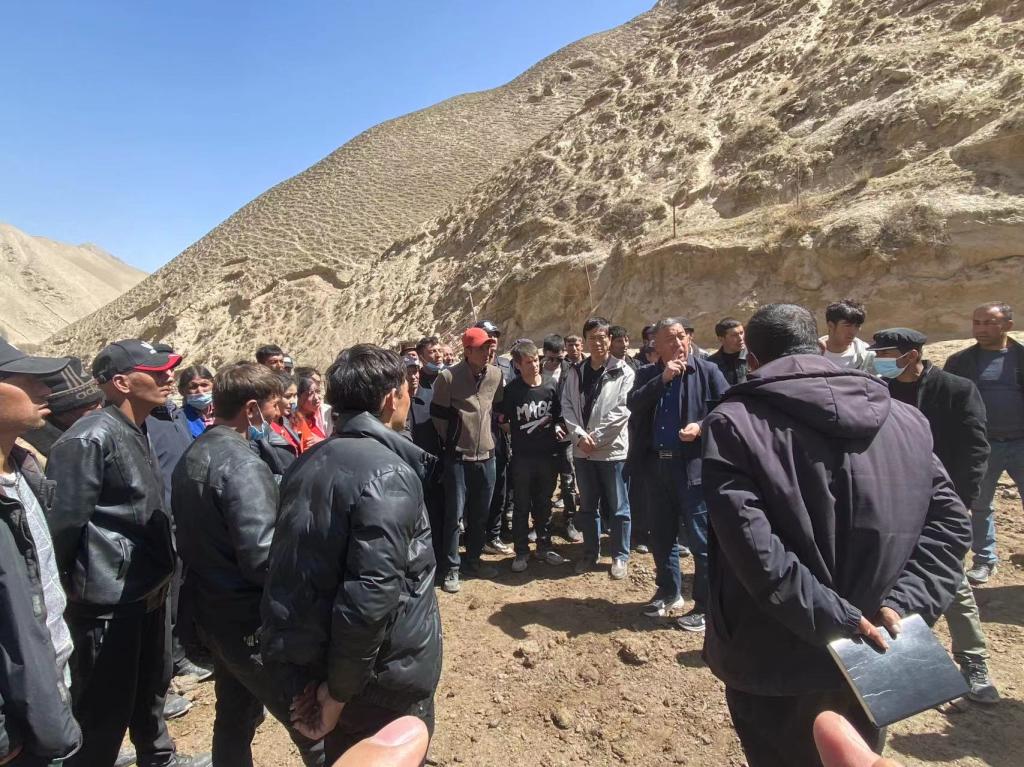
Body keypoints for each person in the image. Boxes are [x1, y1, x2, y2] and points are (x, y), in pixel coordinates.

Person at [701, 304, 970, 767]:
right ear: (819, 347)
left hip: (774, 654)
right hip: (875, 645)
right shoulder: (905, 418)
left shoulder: (734, 422)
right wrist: (904, 604)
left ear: (752, 360)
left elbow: (752, 547)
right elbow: (950, 525)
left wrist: (837, 618)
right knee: (856, 754)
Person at [261, 344, 442, 763]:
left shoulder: (309, 460)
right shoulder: (389, 473)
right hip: (378, 679)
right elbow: (370, 596)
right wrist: (339, 693)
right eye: (405, 390)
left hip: (325, 662)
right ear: (390, 398)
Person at [46, 340, 211, 767]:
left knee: (151, 689)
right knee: (105, 708)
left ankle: (159, 758)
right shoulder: (88, 439)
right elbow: (62, 529)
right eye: (155, 372)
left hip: (147, 587)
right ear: (121, 383)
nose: (167, 377)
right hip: (109, 601)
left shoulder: (139, 426)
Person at [172, 364, 323, 767]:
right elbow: (261, 557)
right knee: (312, 727)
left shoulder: (194, 453)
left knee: (234, 717)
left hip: (213, 613)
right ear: (252, 408)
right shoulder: (242, 465)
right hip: (249, 623)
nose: (279, 413)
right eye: (274, 405)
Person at [868, 328, 999, 704]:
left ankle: (973, 662)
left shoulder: (956, 389)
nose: (879, 360)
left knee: (951, 581)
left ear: (910, 355)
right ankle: (902, 667)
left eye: (886, 354)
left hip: (940, 504)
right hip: (893, 502)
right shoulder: (881, 391)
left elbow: (975, 449)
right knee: (888, 583)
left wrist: (959, 502)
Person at [0, 340, 82, 767]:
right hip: (16, 725)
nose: (46, 390)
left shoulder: (23, 469)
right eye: (27, 380)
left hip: (46, 688)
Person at [627, 318, 729, 629]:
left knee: (700, 540)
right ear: (656, 346)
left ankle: (705, 606)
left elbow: (728, 410)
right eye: (669, 339)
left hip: (692, 468)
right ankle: (668, 592)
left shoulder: (707, 371)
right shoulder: (648, 373)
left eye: (681, 336)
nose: (678, 343)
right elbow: (633, 404)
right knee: (661, 536)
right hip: (656, 467)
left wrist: (701, 426)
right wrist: (663, 379)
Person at [944, 302, 1023, 586]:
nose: (981, 328)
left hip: (1021, 443)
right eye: (977, 322)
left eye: (989, 322)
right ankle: (984, 560)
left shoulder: (1021, 357)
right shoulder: (959, 362)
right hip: (982, 446)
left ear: (1008, 325)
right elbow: (950, 404)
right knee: (980, 505)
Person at [430, 327, 506, 593]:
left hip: (487, 456)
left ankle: (473, 560)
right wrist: (456, 439)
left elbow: (497, 409)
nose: (488, 352)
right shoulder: (448, 378)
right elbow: (438, 417)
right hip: (458, 458)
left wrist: (488, 438)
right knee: (454, 515)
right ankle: (452, 568)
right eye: (482, 348)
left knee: (480, 513)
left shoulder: (496, 375)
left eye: (489, 347)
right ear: (467, 351)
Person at [561, 317, 634, 579]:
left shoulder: (624, 371)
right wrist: (580, 437)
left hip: (612, 451)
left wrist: (595, 437)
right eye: (592, 337)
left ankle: (620, 556)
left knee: (618, 507)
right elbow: (567, 405)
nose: (598, 342)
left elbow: (622, 411)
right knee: (588, 506)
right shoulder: (575, 372)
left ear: (610, 339)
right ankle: (590, 553)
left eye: (602, 337)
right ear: (585, 341)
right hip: (583, 451)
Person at [499, 341, 570, 572]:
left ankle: (544, 546)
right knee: (521, 505)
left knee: (544, 504)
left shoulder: (551, 385)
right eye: (528, 362)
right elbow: (502, 420)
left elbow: (559, 415)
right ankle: (521, 551)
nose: (535, 366)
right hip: (522, 457)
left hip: (547, 455)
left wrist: (557, 426)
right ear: (518, 365)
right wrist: (517, 433)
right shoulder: (512, 390)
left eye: (536, 361)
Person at [474, 321, 515, 553]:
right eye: (488, 335)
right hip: (475, 438)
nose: (493, 339)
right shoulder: (469, 368)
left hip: (500, 436)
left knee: (500, 486)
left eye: (495, 335)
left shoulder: (506, 366)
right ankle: (475, 536)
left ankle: (494, 534)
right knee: (479, 490)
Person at [19, 356, 103, 461]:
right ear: (59, 415)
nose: (101, 409)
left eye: (100, 402)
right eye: (91, 408)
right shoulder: (29, 453)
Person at [542, 335, 582, 542]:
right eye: (551, 358)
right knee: (544, 483)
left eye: (559, 359)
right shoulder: (536, 370)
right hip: (542, 436)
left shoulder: (571, 370)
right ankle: (542, 524)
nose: (555, 363)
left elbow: (575, 402)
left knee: (568, 482)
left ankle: (569, 521)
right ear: (544, 354)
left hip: (566, 435)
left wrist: (564, 425)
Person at [819, 299, 876, 373]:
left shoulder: (866, 355)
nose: (853, 332)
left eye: (857, 326)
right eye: (847, 325)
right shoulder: (811, 354)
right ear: (831, 325)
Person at [291, 374, 327, 452]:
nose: (317, 398)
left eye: (317, 392)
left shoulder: (325, 414)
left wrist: (322, 442)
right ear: (298, 397)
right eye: (310, 394)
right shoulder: (294, 421)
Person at [709, 318, 748, 386]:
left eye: (741, 333)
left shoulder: (754, 356)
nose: (740, 338)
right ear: (721, 339)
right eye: (734, 335)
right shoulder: (711, 364)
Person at [178, 365, 215, 437]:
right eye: (193, 387)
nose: (200, 391)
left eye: (204, 385)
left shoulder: (226, 411)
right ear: (182, 391)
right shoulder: (180, 419)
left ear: (213, 385)